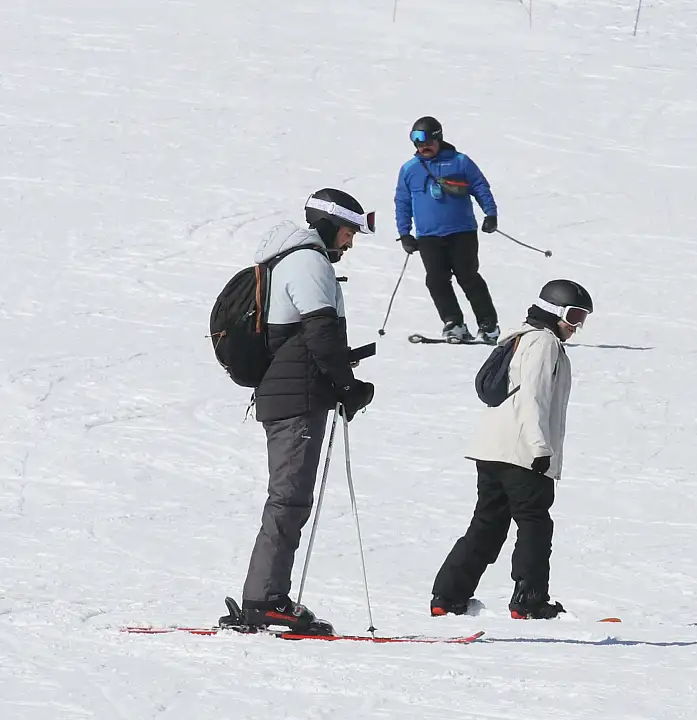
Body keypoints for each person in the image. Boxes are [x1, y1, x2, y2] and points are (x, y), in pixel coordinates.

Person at [230, 189, 377, 633]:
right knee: (289, 498)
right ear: (331, 224)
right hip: (297, 398)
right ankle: (265, 599)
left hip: (291, 392)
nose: (350, 243)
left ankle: (266, 596)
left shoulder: (291, 258)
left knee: (289, 498)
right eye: (350, 232)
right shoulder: (308, 260)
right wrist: (348, 386)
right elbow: (320, 335)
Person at [430, 279, 594, 619]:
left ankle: (448, 597)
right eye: (574, 315)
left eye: (583, 318)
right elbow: (533, 397)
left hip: (492, 449)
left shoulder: (519, 339)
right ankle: (529, 599)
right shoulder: (543, 342)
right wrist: (539, 447)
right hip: (522, 452)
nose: (576, 326)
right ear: (553, 310)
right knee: (534, 523)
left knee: (487, 524)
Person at [394, 116, 501, 345]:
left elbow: (480, 186)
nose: (422, 147)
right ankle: (454, 322)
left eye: (426, 142)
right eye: (417, 143)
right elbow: (402, 202)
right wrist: (405, 233)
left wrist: (490, 214)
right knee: (436, 279)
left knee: (468, 277)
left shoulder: (460, 162)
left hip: (462, 232)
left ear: (438, 138)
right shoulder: (409, 169)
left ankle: (488, 324)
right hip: (428, 236)